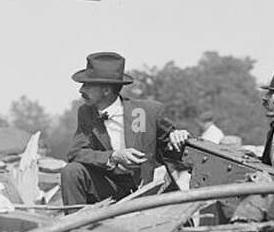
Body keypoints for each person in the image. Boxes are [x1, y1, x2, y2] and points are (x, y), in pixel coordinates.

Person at [59, 52, 189, 205]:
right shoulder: (86, 113)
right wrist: (113, 156)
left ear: (106, 90)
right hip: (110, 190)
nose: (81, 90)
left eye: (88, 85)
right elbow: (76, 153)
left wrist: (178, 136)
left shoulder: (147, 111)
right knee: (71, 171)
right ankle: (74, 226)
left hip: (147, 191)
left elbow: (175, 150)